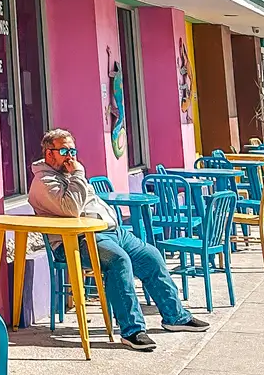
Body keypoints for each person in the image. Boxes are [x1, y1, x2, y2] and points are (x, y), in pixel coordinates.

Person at [29, 128, 208, 351]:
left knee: (151, 256)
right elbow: (72, 209)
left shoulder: (70, 174)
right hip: (77, 241)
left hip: (111, 232)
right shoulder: (44, 182)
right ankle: (132, 330)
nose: (70, 156)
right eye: (64, 150)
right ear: (49, 153)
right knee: (118, 261)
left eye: (72, 150)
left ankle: (175, 317)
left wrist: (77, 176)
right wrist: (78, 174)